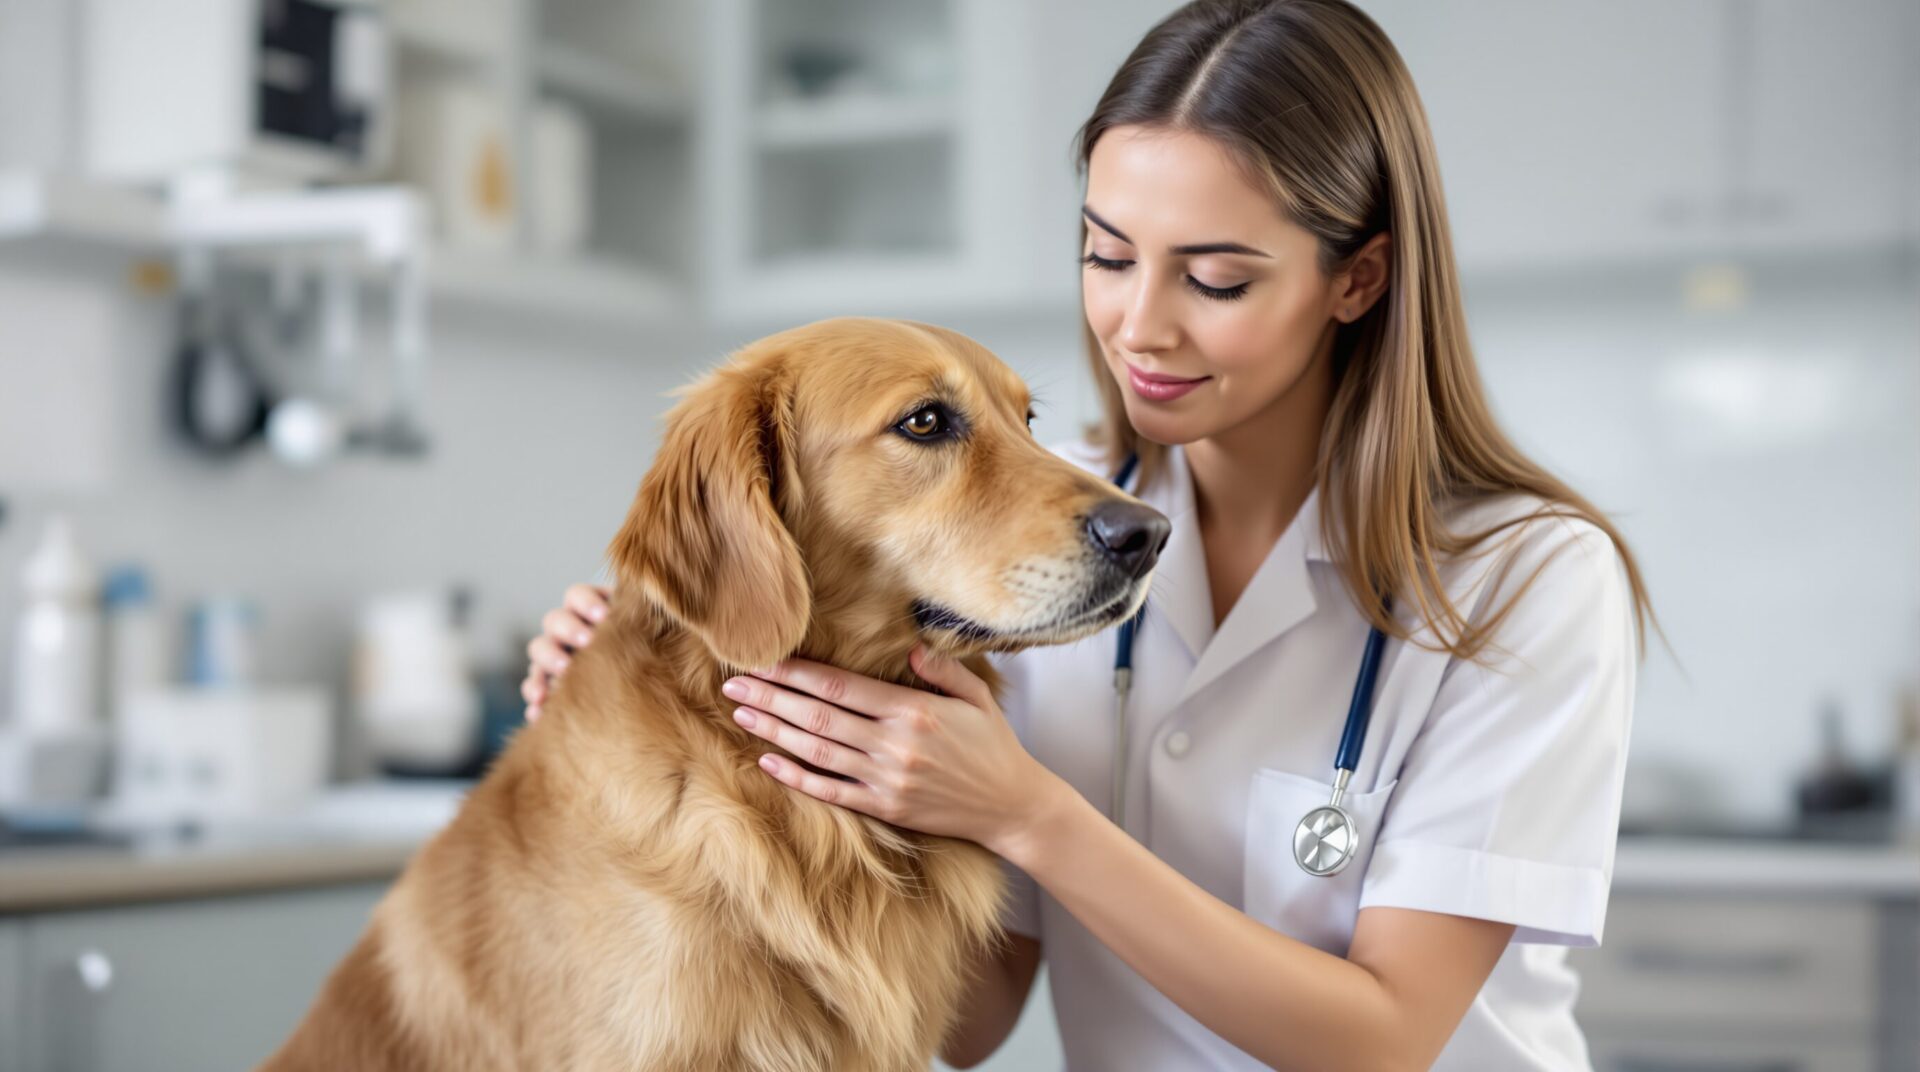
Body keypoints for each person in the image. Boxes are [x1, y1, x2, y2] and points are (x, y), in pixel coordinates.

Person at [522, 1, 1657, 1067]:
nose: (1139, 326)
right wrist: (643, 707)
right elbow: (969, 1021)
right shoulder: (1023, 543)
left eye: (1215, 278)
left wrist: (1029, 815)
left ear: (1356, 279)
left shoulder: (1528, 574)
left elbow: (1384, 1040)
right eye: (1108, 257)